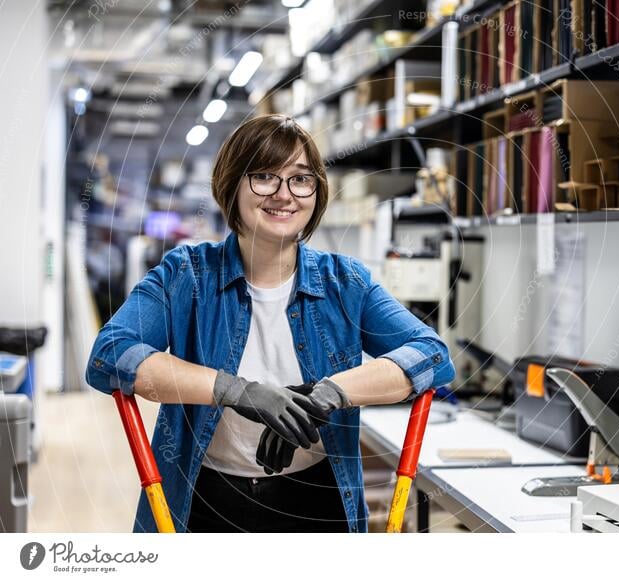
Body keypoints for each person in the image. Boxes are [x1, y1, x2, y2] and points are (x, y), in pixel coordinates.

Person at [85, 114, 455, 533]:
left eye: (300, 179)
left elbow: (432, 355)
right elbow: (109, 356)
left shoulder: (346, 283)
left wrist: (327, 395)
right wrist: (238, 392)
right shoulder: (185, 276)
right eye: (263, 176)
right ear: (232, 184)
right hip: (206, 502)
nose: (283, 194)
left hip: (317, 503)